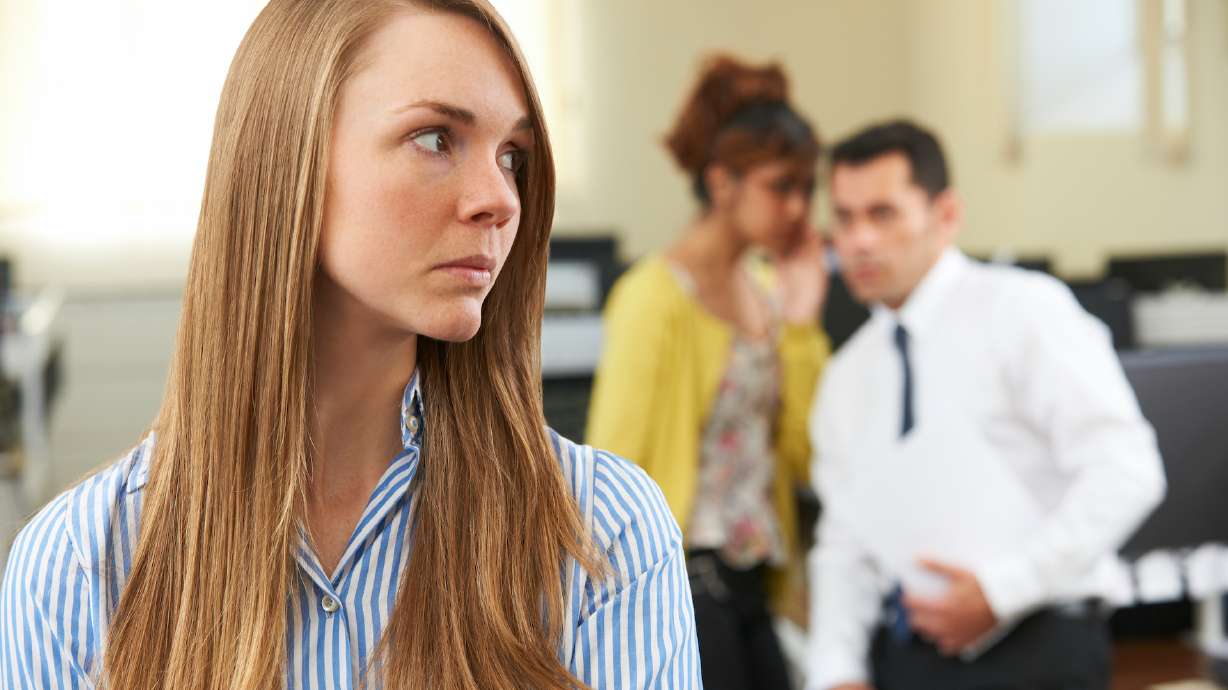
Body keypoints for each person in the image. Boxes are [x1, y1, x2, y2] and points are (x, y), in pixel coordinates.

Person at [0, 1, 700, 688]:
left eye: (511, 156)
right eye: (436, 138)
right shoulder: (77, 569)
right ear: (286, 158)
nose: (502, 199)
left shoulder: (603, 536)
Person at [804, 120, 1166, 690]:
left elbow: (1127, 472)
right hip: (908, 657)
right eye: (845, 219)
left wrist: (1002, 590)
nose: (860, 241)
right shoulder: (847, 376)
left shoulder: (1023, 312)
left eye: (883, 214)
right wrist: (837, 671)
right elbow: (844, 544)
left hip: (1040, 645)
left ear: (946, 214)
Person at [586, 55, 831, 690]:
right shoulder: (653, 298)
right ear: (723, 183)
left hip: (756, 575)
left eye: (806, 189)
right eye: (782, 186)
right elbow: (613, 463)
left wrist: (802, 326)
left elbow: (809, 453)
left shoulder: (770, 293)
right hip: (680, 579)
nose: (799, 208)